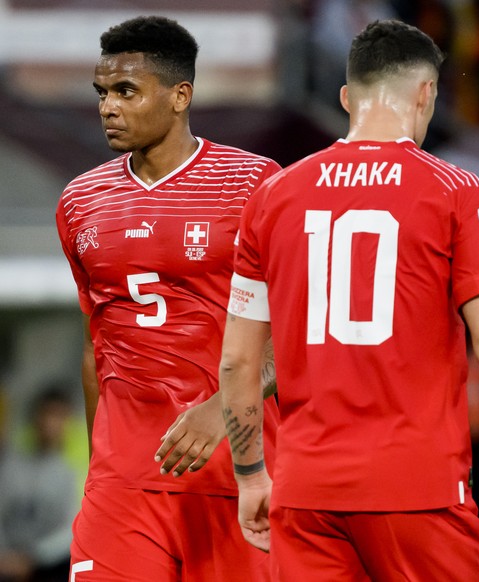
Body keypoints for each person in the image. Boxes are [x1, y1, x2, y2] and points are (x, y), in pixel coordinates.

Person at [218, 18, 479, 581]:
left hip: (307, 493)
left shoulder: (273, 196)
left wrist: (250, 476)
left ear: (344, 97)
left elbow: (238, 359)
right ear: (427, 93)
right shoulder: (453, 191)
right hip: (420, 492)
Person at [55, 15, 281, 582]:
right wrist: (98, 472)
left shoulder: (255, 184)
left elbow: (297, 331)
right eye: (103, 92)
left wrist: (222, 408)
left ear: (181, 95)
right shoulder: (81, 201)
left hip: (238, 473)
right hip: (123, 487)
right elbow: (95, 349)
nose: (109, 106)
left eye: (126, 91)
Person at [0, 385, 79, 582]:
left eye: (58, 416)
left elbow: (70, 529)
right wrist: (5, 556)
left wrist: (33, 558)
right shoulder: (11, 465)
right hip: (6, 560)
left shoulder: (70, 472)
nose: (50, 423)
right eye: (47, 414)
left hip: (46, 566)